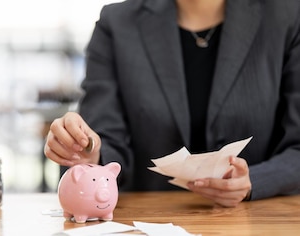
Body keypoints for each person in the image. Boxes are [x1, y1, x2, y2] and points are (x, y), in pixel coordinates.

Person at [44, 0, 300, 207]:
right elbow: (107, 141)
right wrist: (90, 152)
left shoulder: (287, 17)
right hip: (147, 221)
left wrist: (254, 181)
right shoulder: (117, 24)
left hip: (261, 220)